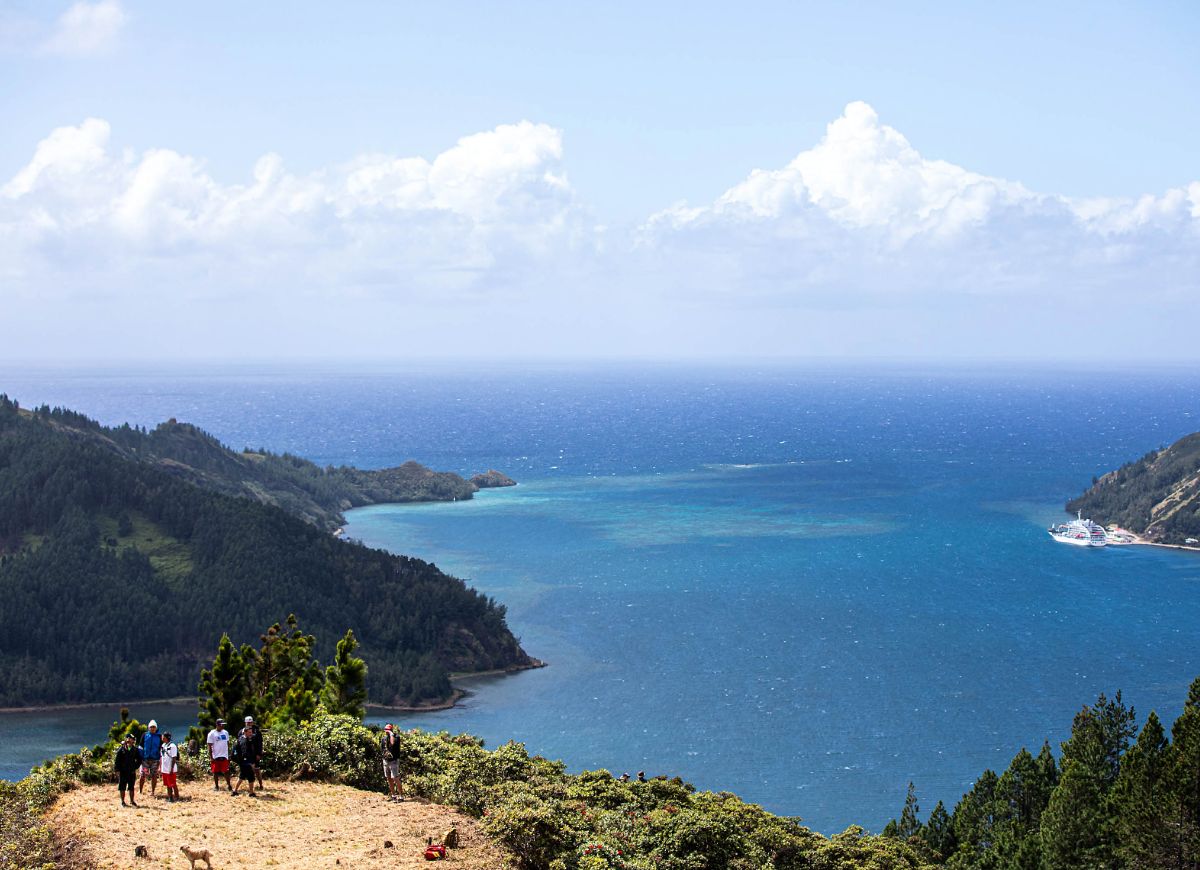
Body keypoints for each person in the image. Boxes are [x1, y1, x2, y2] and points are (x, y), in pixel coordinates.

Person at [230, 723, 257, 797]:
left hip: (243, 762)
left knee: (242, 776)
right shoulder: (245, 741)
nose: (251, 733)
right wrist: (251, 763)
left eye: (251, 732)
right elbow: (245, 753)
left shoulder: (241, 739)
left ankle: (235, 791)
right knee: (251, 777)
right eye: (249, 732)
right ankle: (251, 793)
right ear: (245, 732)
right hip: (246, 762)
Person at [379, 723, 404, 801]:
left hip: (394, 761)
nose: (387, 732)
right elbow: (382, 749)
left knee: (395, 778)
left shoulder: (396, 737)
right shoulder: (383, 739)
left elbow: (392, 743)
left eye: (388, 730)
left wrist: (391, 734)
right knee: (389, 778)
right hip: (386, 761)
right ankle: (393, 795)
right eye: (386, 730)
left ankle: (401, 796)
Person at [114, 734, 141, 807]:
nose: (129, 740)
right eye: (128, 739)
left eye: (131, 739)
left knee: (131, 787)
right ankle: (122, 802)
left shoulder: (135, 750)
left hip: (131, 771)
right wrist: (117, 770)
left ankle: (132, 801)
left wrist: (135, 766)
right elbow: (117, 761)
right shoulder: (121, 750)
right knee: (122, 787)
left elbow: (139, 760)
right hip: (123, 771)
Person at [206, 718, 232, 791]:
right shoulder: (211, 734)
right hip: (216, 756)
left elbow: (227, 744)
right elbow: (209, 746)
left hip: (224, 755)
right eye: (221, 725)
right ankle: (216, 786)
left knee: (226, 771)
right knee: (215, 772)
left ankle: (229, 785)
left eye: (223, 725)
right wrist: (211, 757)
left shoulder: (225, 732)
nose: (223, 726)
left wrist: (228, 754)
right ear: (217, 725)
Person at [239, 716, 264, 789]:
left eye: (251, 722)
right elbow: (239, 743)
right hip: (245, 755)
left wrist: (259, 753)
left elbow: (260, 743)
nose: (250, 724)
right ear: (245, 723)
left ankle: (260, 784)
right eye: (248, 722)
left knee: (257, 769)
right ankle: (251, 786)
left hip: (254, 754)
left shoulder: (257, 731)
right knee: (247, 770)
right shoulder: (241, 731)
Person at [139, 720, 163, 796]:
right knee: (143, 775)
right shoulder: (145, 735)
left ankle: (153, 792)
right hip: (145, 760)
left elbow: (162, 748)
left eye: (154, 727)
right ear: (148, 728)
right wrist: (140, 756)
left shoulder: (159, 736)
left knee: (154, 776)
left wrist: (160, 759)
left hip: (155, 760)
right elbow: (140, 746)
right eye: (151, 727)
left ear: (156, 728)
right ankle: (140, 791)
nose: (152, 728)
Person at [160, 731, 181, 802]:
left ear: (166, 737)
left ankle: (175, 797)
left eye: (163, 736)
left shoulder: (172, 746)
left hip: (170, 768)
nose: (162, 738)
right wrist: (160, 767)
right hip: (164, 768)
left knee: (172, 783)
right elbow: (161, 756)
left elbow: (174, 757)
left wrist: (171, 768)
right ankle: (170, 797)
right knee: (167, 784)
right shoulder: (163, 745)